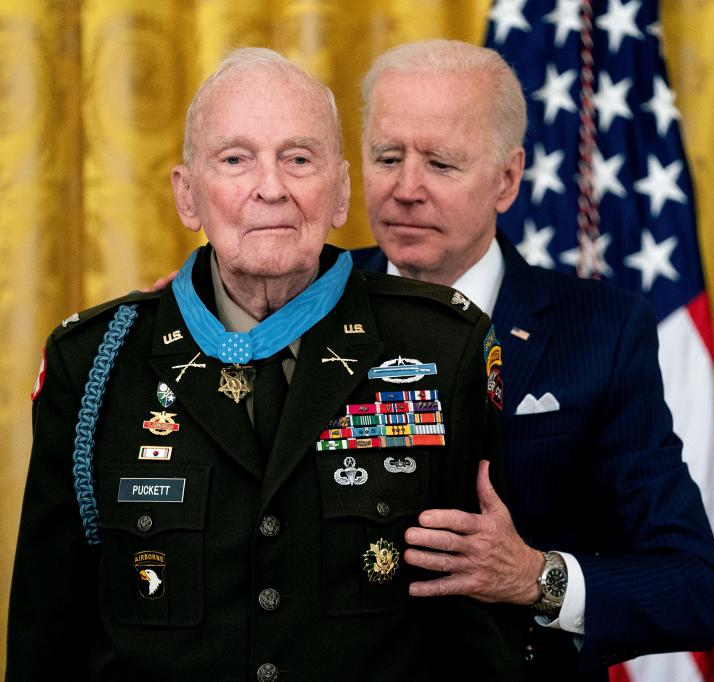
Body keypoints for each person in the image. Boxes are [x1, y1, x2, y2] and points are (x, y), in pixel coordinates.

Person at [7, 47, 522, 682]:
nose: (270, 187)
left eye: (298, 159)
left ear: (339, 194)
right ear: (188, 195)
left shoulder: (445, 348)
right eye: (235, 159)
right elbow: (47, 635)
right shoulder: (93, 362)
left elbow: (477, 632)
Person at [352, 39, 714, 681]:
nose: (405, 188)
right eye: (387, 157)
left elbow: (692, 586)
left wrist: (534, 578)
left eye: (441, 164)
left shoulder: (603, 332)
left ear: (507, 178)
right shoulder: (300, 302)